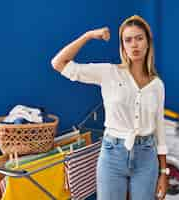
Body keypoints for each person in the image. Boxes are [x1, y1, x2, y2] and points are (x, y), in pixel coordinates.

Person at [51, 15, 168, 200]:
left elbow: (160, 130)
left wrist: (164, 172)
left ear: (148, 42)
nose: (134, 44)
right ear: (122, 46)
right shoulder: (109, 73)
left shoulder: (157, 85)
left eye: (139, 38)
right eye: (128, 40)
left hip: (147, 156)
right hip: (112, 154)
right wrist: (88, 36)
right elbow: (58, 63)